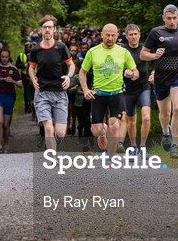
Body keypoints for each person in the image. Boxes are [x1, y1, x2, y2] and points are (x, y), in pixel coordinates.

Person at [141, 4, 178, 159]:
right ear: (163, 18)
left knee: (177, 107)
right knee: (165, 114)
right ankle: (165, 133)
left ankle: (175, 146)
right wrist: (155, 56)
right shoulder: (156, 33)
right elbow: (143, 55)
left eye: (174, 18)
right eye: (169, 18)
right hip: (161, 78)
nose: (172, 21)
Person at [79, 23, 139, 155]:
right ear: (102, 35)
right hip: (98, 94)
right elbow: (82, 72)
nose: (110, 38)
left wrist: (132, 74)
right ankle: (102, 133)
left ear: (117, 35)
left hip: (116, 94)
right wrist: (85, 89)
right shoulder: (93, 52)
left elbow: (136, 72)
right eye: (107, 35)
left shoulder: (123, 52)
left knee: (115, 125)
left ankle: (110, 158)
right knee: (96, 130)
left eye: (113, 35)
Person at [28, 15, 76, 151]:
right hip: (42, 93)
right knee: (48, 127)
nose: (47, 29)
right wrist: (33, 79)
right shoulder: (36, 50)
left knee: (60, 132)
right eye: (45, 27)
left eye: (50, 27)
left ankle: (52, 145)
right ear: (41, 30)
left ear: (54, 29)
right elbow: (31, 68)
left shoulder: (61, 47)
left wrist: (68, 77)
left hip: (60, 92)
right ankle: (52, 157)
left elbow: (71, 65)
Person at [121, 23, 152, 154]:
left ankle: (143, 146)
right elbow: (118, 67)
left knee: (146, 117)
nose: (134, 37)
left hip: (143, 87)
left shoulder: (145, 48)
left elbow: (155, 60)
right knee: (131, 121)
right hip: (128, 91)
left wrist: (154, 72)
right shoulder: (122, 51)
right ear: (127, 37)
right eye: (131, 35)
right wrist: (124, 71)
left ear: (139, 35)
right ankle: (133, 146)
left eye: (136, 34)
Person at [0, 48, 22, 153]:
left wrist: (12, 81)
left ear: (9, 57)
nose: (4, 59)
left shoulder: (13, 69)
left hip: (9, 96)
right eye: (2, 57)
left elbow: (20, 85)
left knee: (6, 125)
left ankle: (6, 144)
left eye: (6, 57)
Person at [16, 42, 35, 116]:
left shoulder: (35, 54)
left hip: (33, 75)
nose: (29, 49)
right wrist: (24, 65)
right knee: (26, 91)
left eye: (30, 47)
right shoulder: (21, 55)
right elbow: (17, 65)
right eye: (27, 47)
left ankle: (33, 107)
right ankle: (27, 107)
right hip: (24, 75)